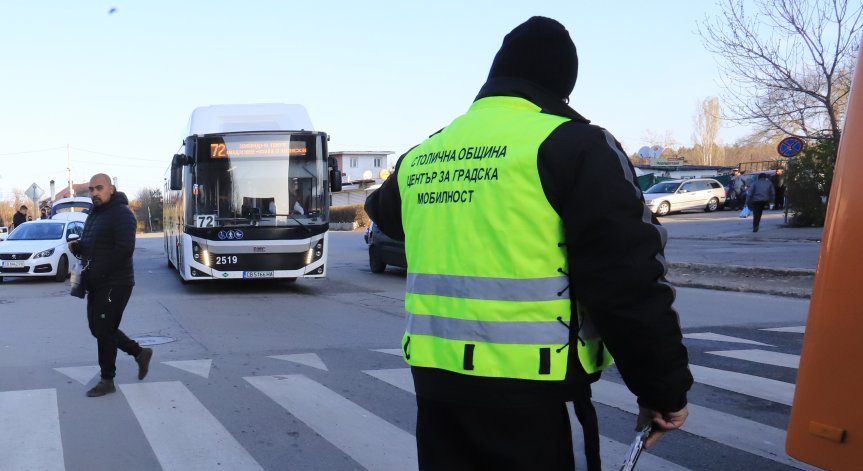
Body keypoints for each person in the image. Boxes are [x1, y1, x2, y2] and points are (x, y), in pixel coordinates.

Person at [365, 17, 692, 470]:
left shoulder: (423, 155)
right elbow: (627, 279)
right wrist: (662, 388)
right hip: (538, 394)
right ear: (562, 87)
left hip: (437, 387)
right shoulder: (573, 145)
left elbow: (383, 214)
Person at [69, 173, 152, 397]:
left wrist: (98, 271)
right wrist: (79, 246)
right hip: (96, 281)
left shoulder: (122, 214)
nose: (94, 192)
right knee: (97, 328)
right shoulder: (95, 214)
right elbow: (95, 244)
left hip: (116, 283)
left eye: (99, 188)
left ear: (111, 189)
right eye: (91, 189)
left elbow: (124, 249)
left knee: (104, 330)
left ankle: (107, 380)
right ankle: (139, 352)